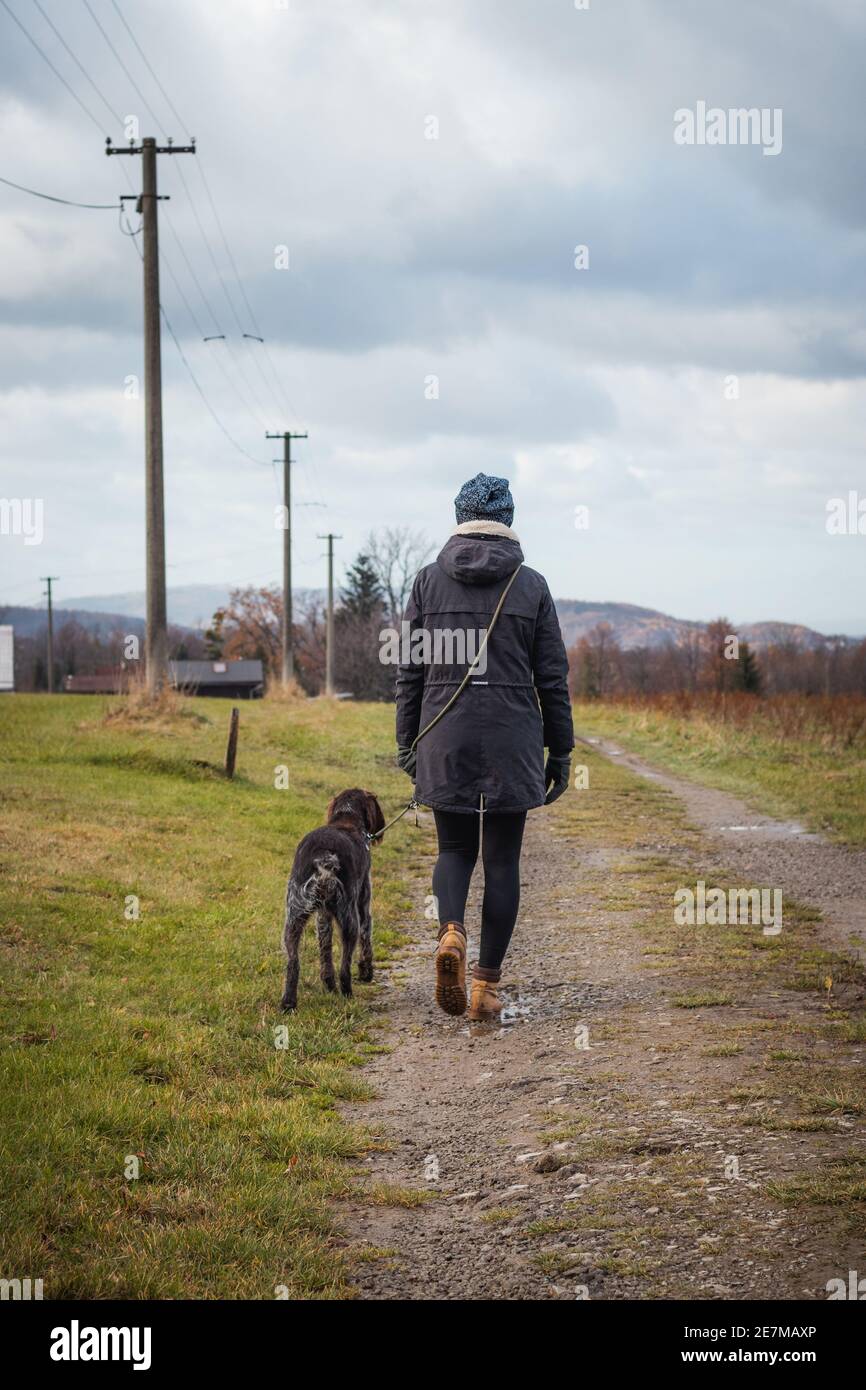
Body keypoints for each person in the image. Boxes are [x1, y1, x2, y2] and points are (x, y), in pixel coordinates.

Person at [395, 472, 574, 1021]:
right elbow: (553, 679)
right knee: (502, 862)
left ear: (458, 518)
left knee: (453, 851)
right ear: (509, 522)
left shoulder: (426, 583)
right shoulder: (532, 586)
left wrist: (409, 745)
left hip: (443, 737)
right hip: (512, 739)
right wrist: (560, 751)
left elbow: (409, 676)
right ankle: (485, 988)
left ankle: (451, 932)